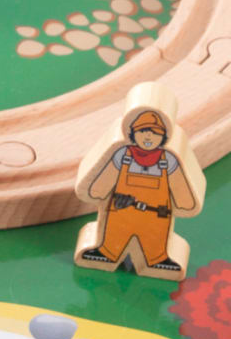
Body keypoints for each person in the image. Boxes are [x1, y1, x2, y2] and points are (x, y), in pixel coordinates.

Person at [73, 96, 200, 282]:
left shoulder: (169, 160)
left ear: (164, 136)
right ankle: (106, 252)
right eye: (143, 132)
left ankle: (157, 260)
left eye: (155, 133)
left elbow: (179, 184)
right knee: (113, 236)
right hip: (120, 211)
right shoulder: (122, 155)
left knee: (154, 240)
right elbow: (105, 177)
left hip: (156, 215)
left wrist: (186, 203)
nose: (149, 137)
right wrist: (96, 191)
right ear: (132, 133)